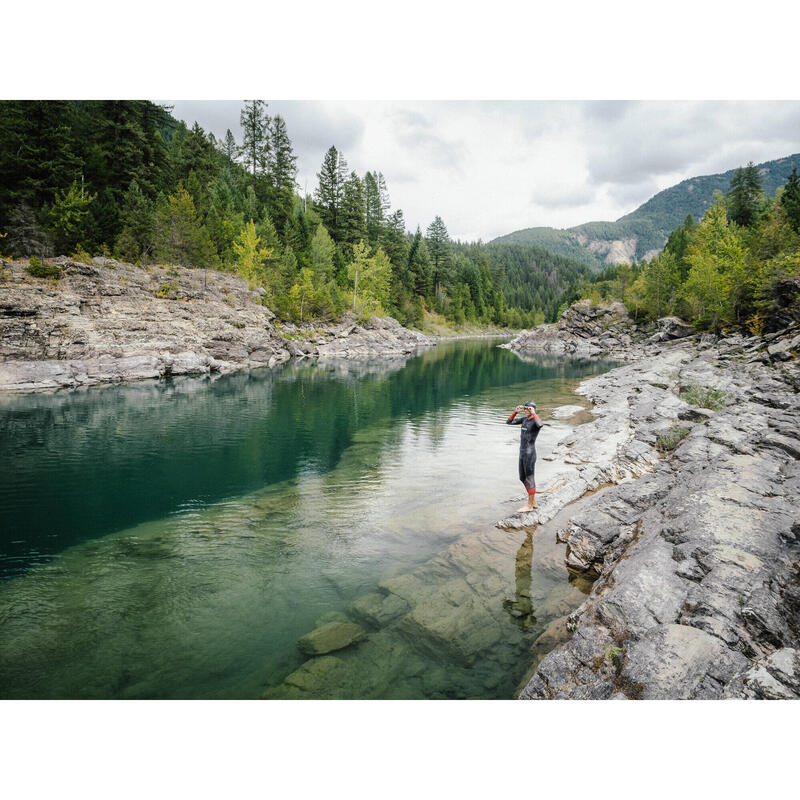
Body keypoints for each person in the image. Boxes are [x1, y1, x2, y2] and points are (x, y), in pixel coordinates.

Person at [506, 401, 544, 512]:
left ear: (533, 410)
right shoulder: (524, 420)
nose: (527, 410)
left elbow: (540, 425)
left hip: (530, 453)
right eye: (526, 409)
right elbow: (509, 422)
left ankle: (530, 506)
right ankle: (533, 501)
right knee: (522, 478)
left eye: (529, 409)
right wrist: (515, 412)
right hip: (522, 453)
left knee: (530, 478)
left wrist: (534, 413)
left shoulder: (535, 421)